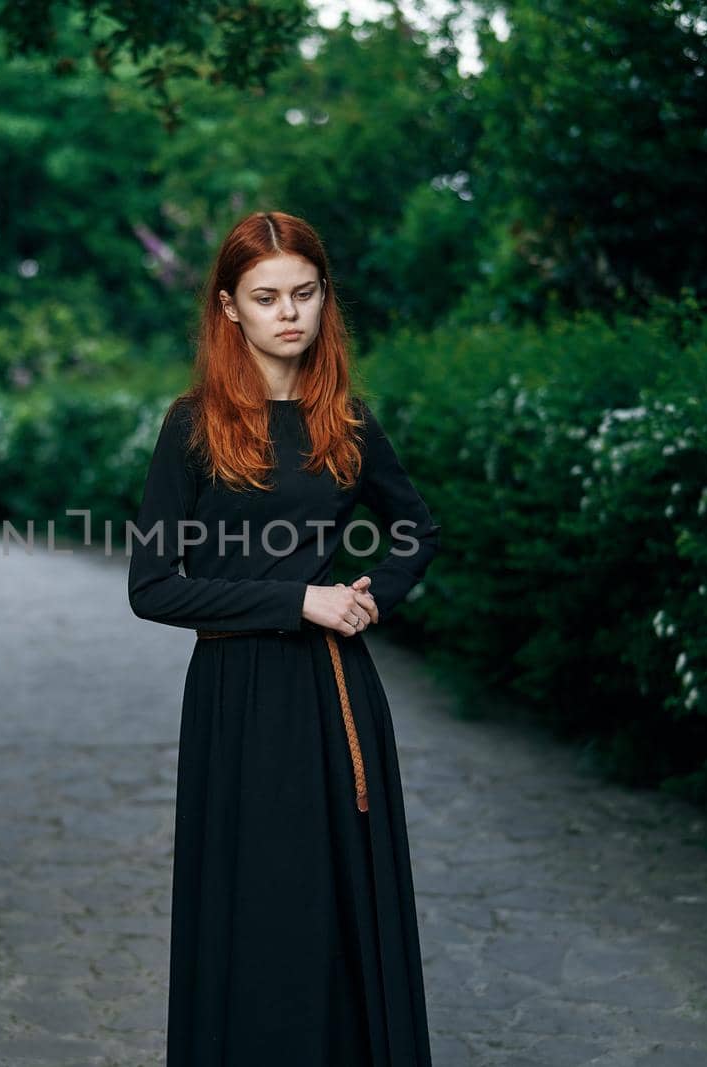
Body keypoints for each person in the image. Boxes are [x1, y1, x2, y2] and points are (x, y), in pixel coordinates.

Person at [128, 210, 440, 1065]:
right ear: (229, 308)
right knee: (253, 900)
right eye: (266, 297)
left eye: (304, 293)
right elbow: (153, 585)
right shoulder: (192, 426)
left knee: (334, 905)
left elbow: (415, 525)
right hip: (235, 699)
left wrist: (375, 594)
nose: (288, 313)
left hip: (334, 697)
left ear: (324, 297)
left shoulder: (346, 419)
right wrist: (296, 597)